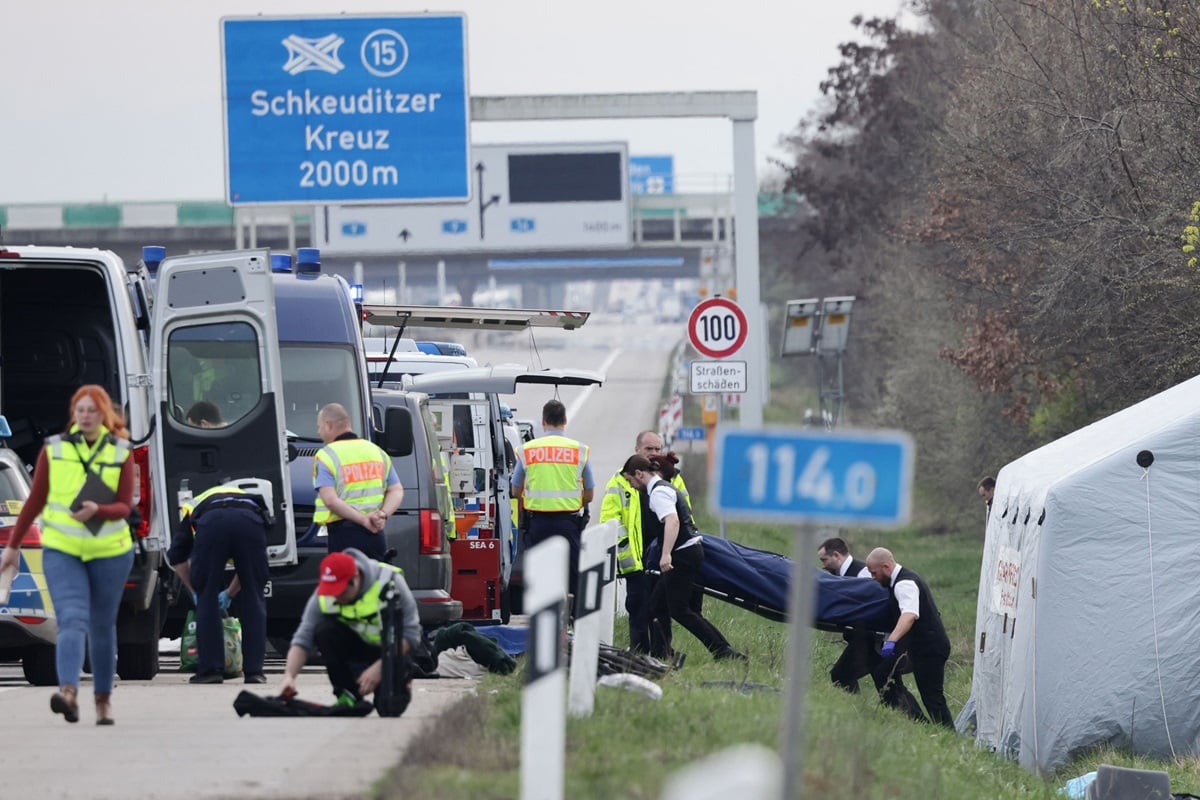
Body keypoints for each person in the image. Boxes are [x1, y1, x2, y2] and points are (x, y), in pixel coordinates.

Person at [0, 385, 135, 725]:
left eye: (91, 410)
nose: (85, 415)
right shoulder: (54, 450)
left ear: (103, 413)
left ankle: (103, 700)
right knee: (71, 619)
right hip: (63, 549)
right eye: (80, 409)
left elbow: (124, 506)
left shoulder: (120, 451)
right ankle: (69, 693)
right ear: (74, 414)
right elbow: (33, 501)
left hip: (109, 551)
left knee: (102, 626)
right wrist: (13, 546)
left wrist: (97, 509)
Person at [622, 454, 746, 662]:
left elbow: (672, 521)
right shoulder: (664, 488)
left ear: (639, 474)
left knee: (679, 610)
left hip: (683, 555)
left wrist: (666, 554)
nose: (632, 486)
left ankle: (724, 651)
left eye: (630, 480)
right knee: (656, 606)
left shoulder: (658, 493)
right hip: (688, 551)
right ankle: (663, 655)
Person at [278, 549, 420, 715]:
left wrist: (380, 667)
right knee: (324, 631)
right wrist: (289, 677)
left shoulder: (389, 582)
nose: (336, 597)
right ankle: (348, 693)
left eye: (341, 591)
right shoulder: (325, 593)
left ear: (356, 578)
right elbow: (303, 638)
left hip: (389, 653)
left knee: (390, 709)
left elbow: (411, 635)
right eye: (333, 591)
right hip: (355, 650)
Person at [167, 480, 272, 684]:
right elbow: (248, 570)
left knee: (207, 598)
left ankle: (210, 671)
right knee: (254, 596)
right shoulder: (249, 501)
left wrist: (196, 590)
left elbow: (177, 558)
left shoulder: (194, 506)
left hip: (212, 524)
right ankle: (254, 672)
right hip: (249, 522)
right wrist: (230, 594)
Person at [511, 399, 594, 594]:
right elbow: (589, 494)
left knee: (538, 575)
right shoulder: (579, 450)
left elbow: (515, 491)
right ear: (565, 420)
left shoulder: (528, 450)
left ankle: (542, 616)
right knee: (573, 575)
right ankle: (572, 618)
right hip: (569, 523)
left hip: (537, 523)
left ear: (543, 421)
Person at [866, 547, 954, 727]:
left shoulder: (903, 583)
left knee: (932, 697)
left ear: (886, 566)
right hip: (919, 647)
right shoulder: (901, 579)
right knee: (883, 673)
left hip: (930, 648)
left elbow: (909, 615)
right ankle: (916, 722)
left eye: (874, 573)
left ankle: (946, 735)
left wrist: (891, 641)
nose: (873, 577)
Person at [601, 430, 671, 654]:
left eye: (658, 449)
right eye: (649, 449)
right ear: (637, 450)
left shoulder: (671, 476)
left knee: (663, 609)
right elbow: (609, 520)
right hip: (636, 559)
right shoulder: (620, 481)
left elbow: (684, 513)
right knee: (638, 608)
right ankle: (639, 655)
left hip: (662, 556)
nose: (654, 453)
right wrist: (623, 551)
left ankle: (662, 655)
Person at [313, 403, 404, 560]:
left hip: (343, 536)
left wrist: (363, 520)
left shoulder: (326, 456)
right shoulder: (376, 451)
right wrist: (382, 515)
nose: (318, 432)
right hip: (375, 534)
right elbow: (396, 490)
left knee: (347, 582)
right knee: (375, 581)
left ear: (329, 425)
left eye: (319, 427)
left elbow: (330, 500)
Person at [818, 536, 881, 694]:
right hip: (862, 637)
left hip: (869, 638)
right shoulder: (840, 575)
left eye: (824, 560)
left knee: (841, 675)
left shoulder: (863, 573)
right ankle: (913, 716)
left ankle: (854, 709)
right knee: (887, 683)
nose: (823, 565)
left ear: (837, 556)